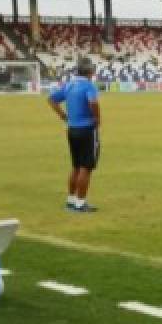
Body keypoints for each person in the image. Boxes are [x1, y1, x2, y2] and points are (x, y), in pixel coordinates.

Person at [47, 58, 101, 213]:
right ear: (91, 72)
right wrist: (97, 119)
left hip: (72, 129)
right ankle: (80, 203)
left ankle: (71, 201)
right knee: (86, 167)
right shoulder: (89, 85)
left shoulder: (70, 84)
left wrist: (63, 116)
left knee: (76, 166)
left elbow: (51, 99)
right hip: (87, 129)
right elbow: (93, 103)